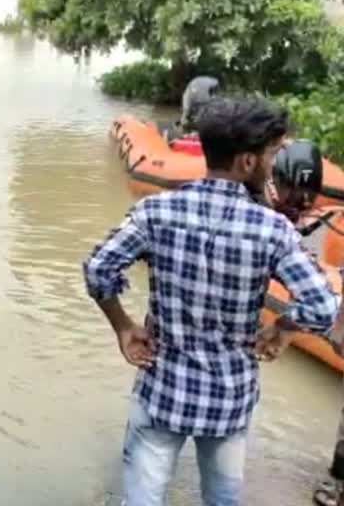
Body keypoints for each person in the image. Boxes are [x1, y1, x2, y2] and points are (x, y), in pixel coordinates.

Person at [83, 97, 339, 506]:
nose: (275, 163)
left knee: (142, 498)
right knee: (222, 498)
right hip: (229, 398)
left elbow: (99, 269)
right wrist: (283, 330)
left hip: (161, 387)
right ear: (248, 162)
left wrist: (123, 327)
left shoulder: (155, 210)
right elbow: (324, 307)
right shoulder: (274, 230)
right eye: (272, 152)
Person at [162, 76, 221, 143]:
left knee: (189, 117)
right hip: (200, 97)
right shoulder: (192, 98)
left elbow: (187, 111)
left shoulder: (190, 97)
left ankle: (185, 131)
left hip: (198, 96)